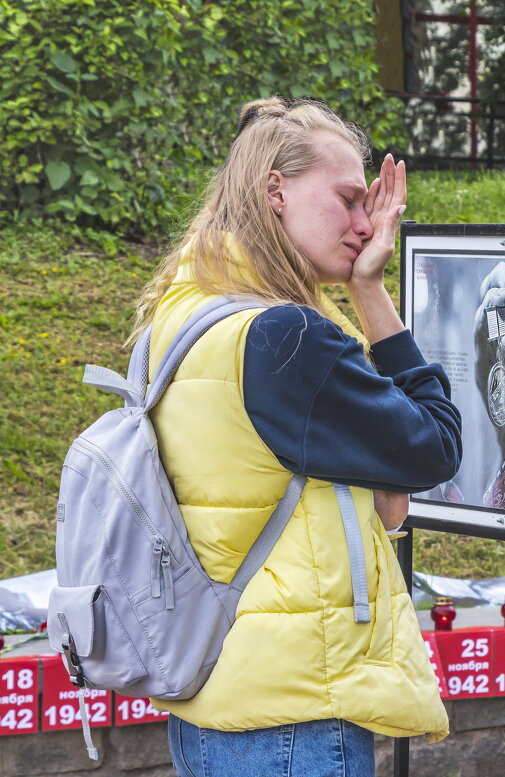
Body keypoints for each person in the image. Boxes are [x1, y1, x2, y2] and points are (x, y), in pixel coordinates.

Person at [128, 96, 462, 776]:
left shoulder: (185, 310)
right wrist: (371, 291)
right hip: (294, 711)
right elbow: (433, 443)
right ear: (275, 190)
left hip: (213, 699)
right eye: (347, 198)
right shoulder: (285, 337)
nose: (366, 223)